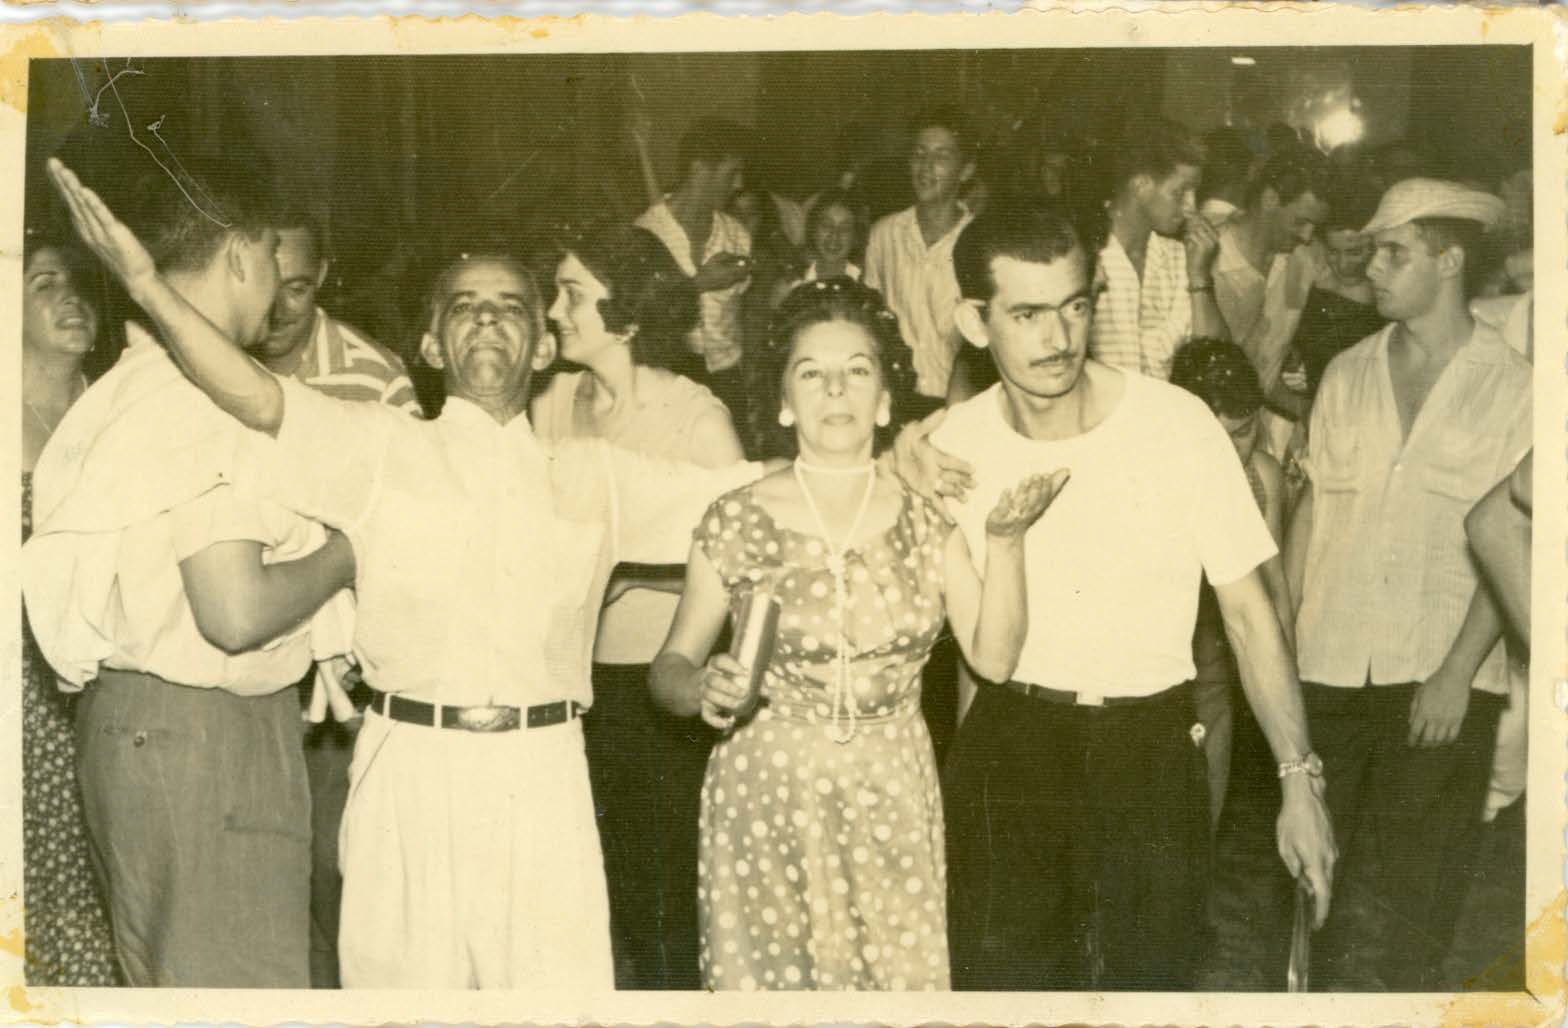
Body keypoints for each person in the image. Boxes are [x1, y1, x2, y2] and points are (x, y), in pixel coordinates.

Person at [46, 159, 952, 989]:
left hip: (543, 777)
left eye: (513, 306)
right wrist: (144, 284)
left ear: (544, 346)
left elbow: (761, 485)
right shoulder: (375, 448)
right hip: (408, 776)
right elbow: (253, 393)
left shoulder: (593, 476)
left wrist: (903, 449)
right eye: (464, 307)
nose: (487, 319)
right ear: (432, 346)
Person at [933, 203, 1335, 991]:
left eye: (1074, 306)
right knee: (1002, 992)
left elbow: (1251, 617)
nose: (1059, 338)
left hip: (1148, 747)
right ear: (975, 322)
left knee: (1150, 988)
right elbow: (970, 656)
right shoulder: (953, 445)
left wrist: (1299, 779)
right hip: (1011, 745)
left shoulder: (1176, 424)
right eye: (1027, 315)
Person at [651, 278, 1068, 991]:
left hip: (891, 786)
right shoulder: (735, 517)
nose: (836, 390)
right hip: (765, 790)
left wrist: (1004, 543)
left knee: (893, 986)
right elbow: (670, 665)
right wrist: (699, 688)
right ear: (785, 402)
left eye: (857, 370)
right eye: (811, 373)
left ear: (884, 400)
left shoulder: (926, 516)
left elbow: (994, 660)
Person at [22, 163, 358, 989]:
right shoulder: (210, 397)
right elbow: (234, 612)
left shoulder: (126, 386)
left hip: (130, 728)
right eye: (273, 259)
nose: (278, 283)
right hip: (211, 740)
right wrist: (348, 552)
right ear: (241, 255)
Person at [1279, 178, 1529, 990]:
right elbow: (1313, 513)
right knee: (1312, 890)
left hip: (1441, 676)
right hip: (1328, 663)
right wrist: (1280, 645)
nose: (1372, 268)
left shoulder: (1518, 386)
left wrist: (1457, 672)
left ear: (1449, 262)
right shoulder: (1346, 371)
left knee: (1414, 906)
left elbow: (1515, 541)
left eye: (1395, 253)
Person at [531, 223, 744, 989]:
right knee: (587, 896)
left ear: (625, 315)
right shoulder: (553, 402)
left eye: (573, 295)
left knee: (662, 909)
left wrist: (624, 579)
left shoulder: (695, 418)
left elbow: (742, 565)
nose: (554, 310)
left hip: (657, 696)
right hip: (569, 685)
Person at [243, 201, 425, 989]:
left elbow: (415, 532)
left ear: (323, 278)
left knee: (335, 873)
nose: (280, 310)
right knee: (258, 883)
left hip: (338, 686)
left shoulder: (374, 376)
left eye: (300, 289)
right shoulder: (212, 360)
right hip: (242, 664)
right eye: (268, 284)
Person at [19, 232, 119, 987]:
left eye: (82, 281)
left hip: (107, 681)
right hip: (20, 691)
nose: (71, 297)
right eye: (45, 282)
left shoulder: (115, 410)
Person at [1169, 339, 1294, 831]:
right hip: (1159, 670)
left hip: (1220, 660)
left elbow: (1275, 588)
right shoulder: (1155, 473)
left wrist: (1287, 680)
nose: (1229, 451)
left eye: (1242, 433)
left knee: (1209, 803)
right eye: (1214, 437)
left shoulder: (1263, 475)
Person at [1212, 145, 1332, 461]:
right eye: (1300, 222)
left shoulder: (1304, 259)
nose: (1308, 235)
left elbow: (1263, 367)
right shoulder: (1209, 257)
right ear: (1269, 199)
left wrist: (1304, 408)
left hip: (1260, 435)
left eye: (1315, 226)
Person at [1086, 118, 1227, 381]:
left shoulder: (1179, 258)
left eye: (1194, 193)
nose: (1191, 207)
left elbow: (1216, 360)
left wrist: (1199, 276)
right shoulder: (1084, 254)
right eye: (1180, 192)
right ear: (1140, 186)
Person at [634, 117, 755, 421]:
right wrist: (698, 284)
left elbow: (742, 315)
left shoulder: (736, 234)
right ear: (699, 170)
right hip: (666, 377)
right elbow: (634, 311)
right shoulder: (647, 232)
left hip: (727, 378)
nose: (739, 184)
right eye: (732, 173)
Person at [864, 107, 976, 409]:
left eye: (941, 156)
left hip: (958, 403)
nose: (926, 166)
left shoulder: (981, 241)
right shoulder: (884, 234)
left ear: (966, 170)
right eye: (919, 154)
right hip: (892, 399)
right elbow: (870, 320)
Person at [1289, 190, 1385, 404]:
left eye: (1354, 252)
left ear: (1375, 245)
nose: (1342, 265)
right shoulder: (1313, 279)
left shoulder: (1388, 300)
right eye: (1333, 251)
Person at [769, 189, 863, 308]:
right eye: (826, 225)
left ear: (855, 235)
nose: (834, 235)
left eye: (845, 228)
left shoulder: (865, 283)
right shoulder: (788, 288)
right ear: (813, 230)